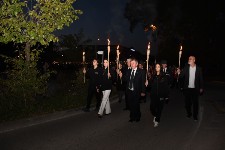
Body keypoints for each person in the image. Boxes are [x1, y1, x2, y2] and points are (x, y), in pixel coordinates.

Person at [177, 56, 204, 121]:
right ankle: (189, 113)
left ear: (194, 60)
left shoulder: (198, 69)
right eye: (188, 59)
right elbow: (181, 76)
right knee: (187, 103)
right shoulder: (186, 68)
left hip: (195, 89)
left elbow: (201, 79)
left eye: (190, 59)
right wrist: (178, 72)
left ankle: (195, 116)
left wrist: (201, 87)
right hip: (187, 89)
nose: (189, 60)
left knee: (195, 103)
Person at [120, 58, 145, 122]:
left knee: (136, 105)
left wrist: (143, 91)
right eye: (131, 63)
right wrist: (121, 76)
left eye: (133, 63)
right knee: (131, 105)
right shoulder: (129, 71)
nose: (131, 64)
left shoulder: (141, 71)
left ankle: (137, 116)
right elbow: (125, 79)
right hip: (129, 91)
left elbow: (142, 82)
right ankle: (132, 117)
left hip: (136, 91)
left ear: (136, 64)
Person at [146, 63, 169, 127]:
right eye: (156, 67)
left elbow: (166, 87)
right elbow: (150, 86)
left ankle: (157, 120)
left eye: (158, 67)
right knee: (152, 108)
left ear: (160, 68)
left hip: (161, 96)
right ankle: (156, 116)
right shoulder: (153, 76)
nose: (157, 68)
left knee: (159, 109)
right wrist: (147, 83)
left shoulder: (164, 76)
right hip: (153, 95)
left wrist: (166, 96)